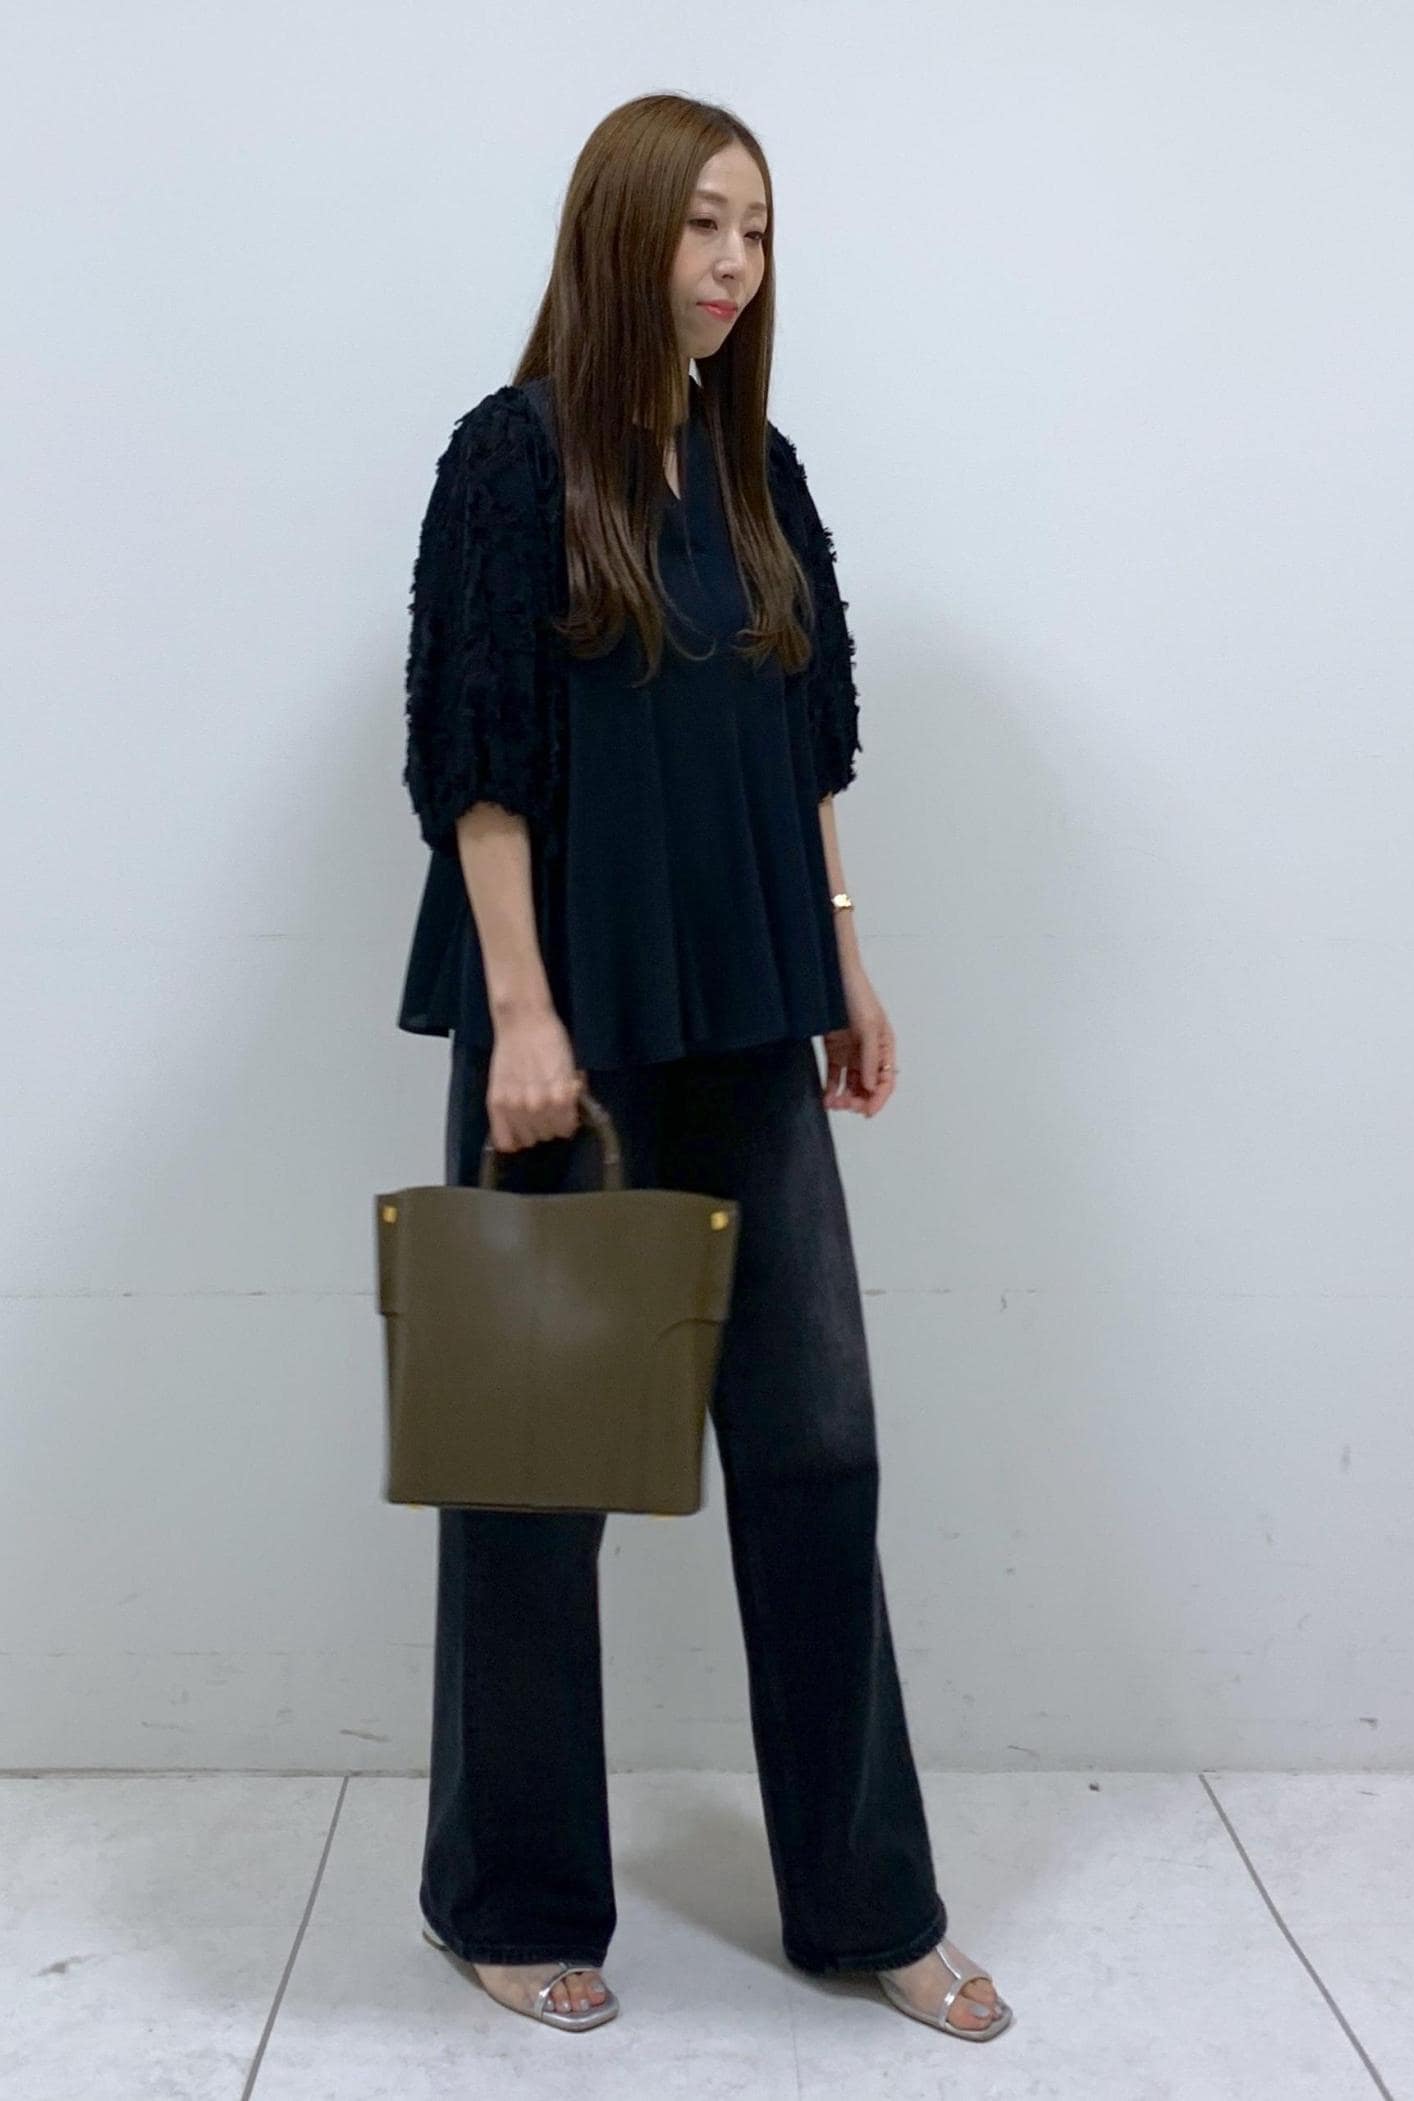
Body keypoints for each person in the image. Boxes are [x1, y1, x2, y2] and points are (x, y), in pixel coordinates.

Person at [395, 93, 1013, 2045]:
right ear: (624, 229)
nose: (735, 263)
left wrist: (845, 959)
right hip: (570, 1035)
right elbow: (474, 760)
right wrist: (521, 1016)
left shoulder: (760, 472)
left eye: (757, 230)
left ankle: (868, 1901)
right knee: (537, 1476)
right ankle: (508, 1899)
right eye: (703, 225)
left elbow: (804, 741)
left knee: (816, 1449)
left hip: (751, 1011)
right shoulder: (512, 461)